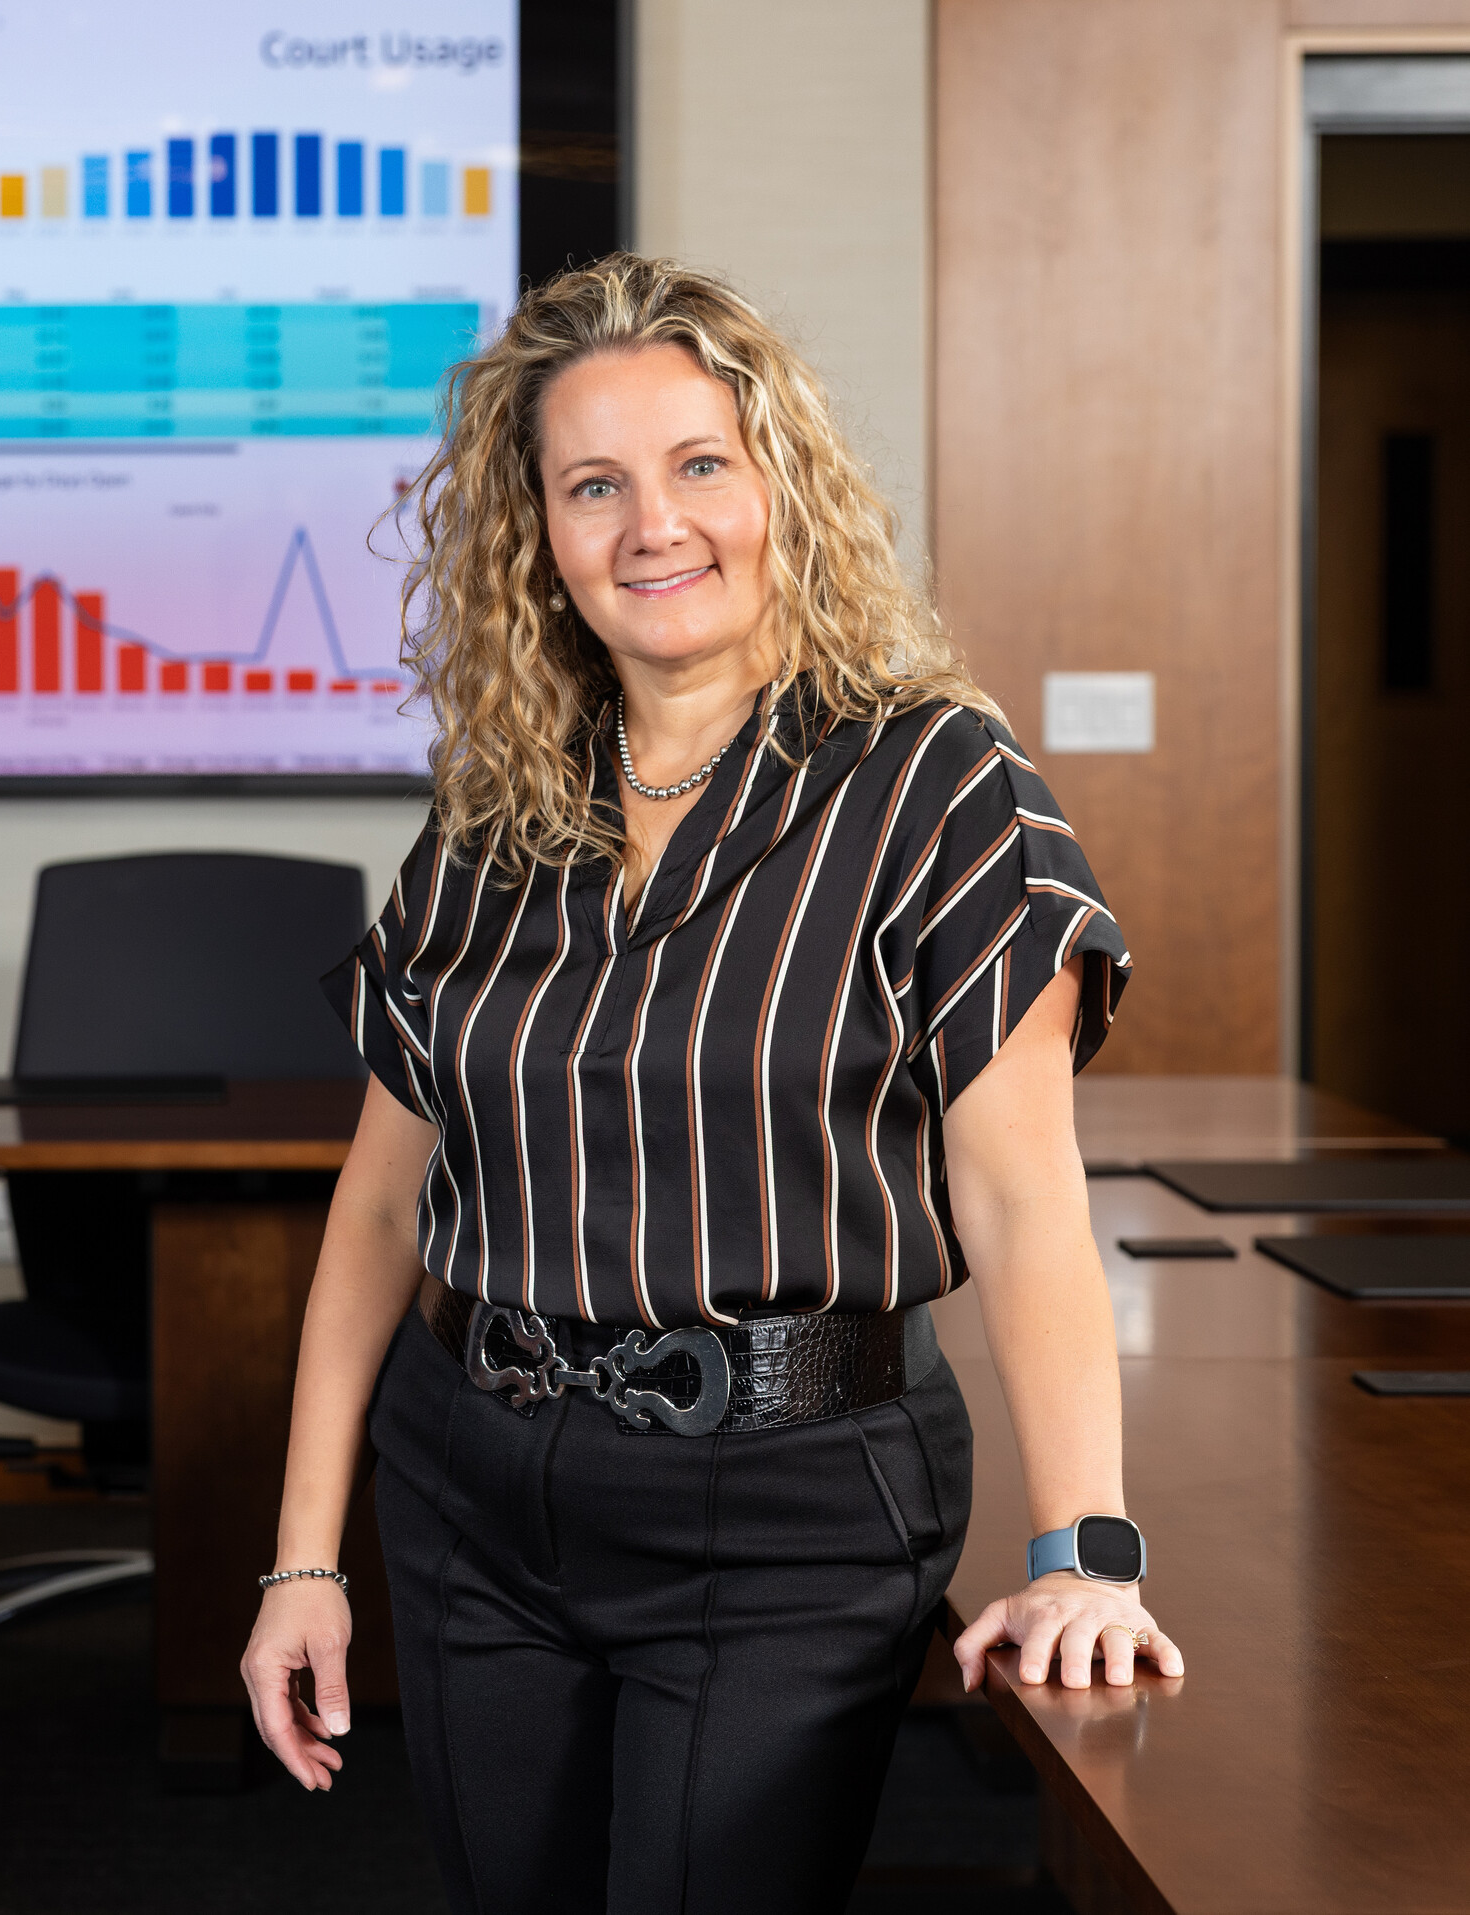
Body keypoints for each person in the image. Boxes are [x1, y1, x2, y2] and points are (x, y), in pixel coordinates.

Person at [240, 255, 1183, 1912]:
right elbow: (385, 1201)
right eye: (591, 486)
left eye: (698, 467)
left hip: (790, 1509)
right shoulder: (493, 816)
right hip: (473, 1482)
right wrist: (303, 1558)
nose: (651, 526)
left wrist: (1083, 1546)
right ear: (536, 537)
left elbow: (1026, 1198)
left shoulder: (935, 782)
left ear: (781, 489)